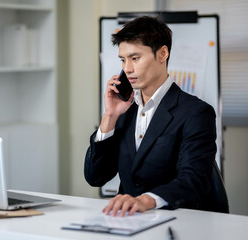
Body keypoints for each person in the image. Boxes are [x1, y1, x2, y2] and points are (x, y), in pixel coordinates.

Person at [84, 16, 217, 217]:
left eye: (135, 58)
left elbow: (194, 180)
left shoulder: (196, 113)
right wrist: (109, 116)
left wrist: (146, 200)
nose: (127, 68)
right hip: (128, 221)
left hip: (177, 220)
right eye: (123, 60)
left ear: (162, 53)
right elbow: (95, 177)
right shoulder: (123, 110)